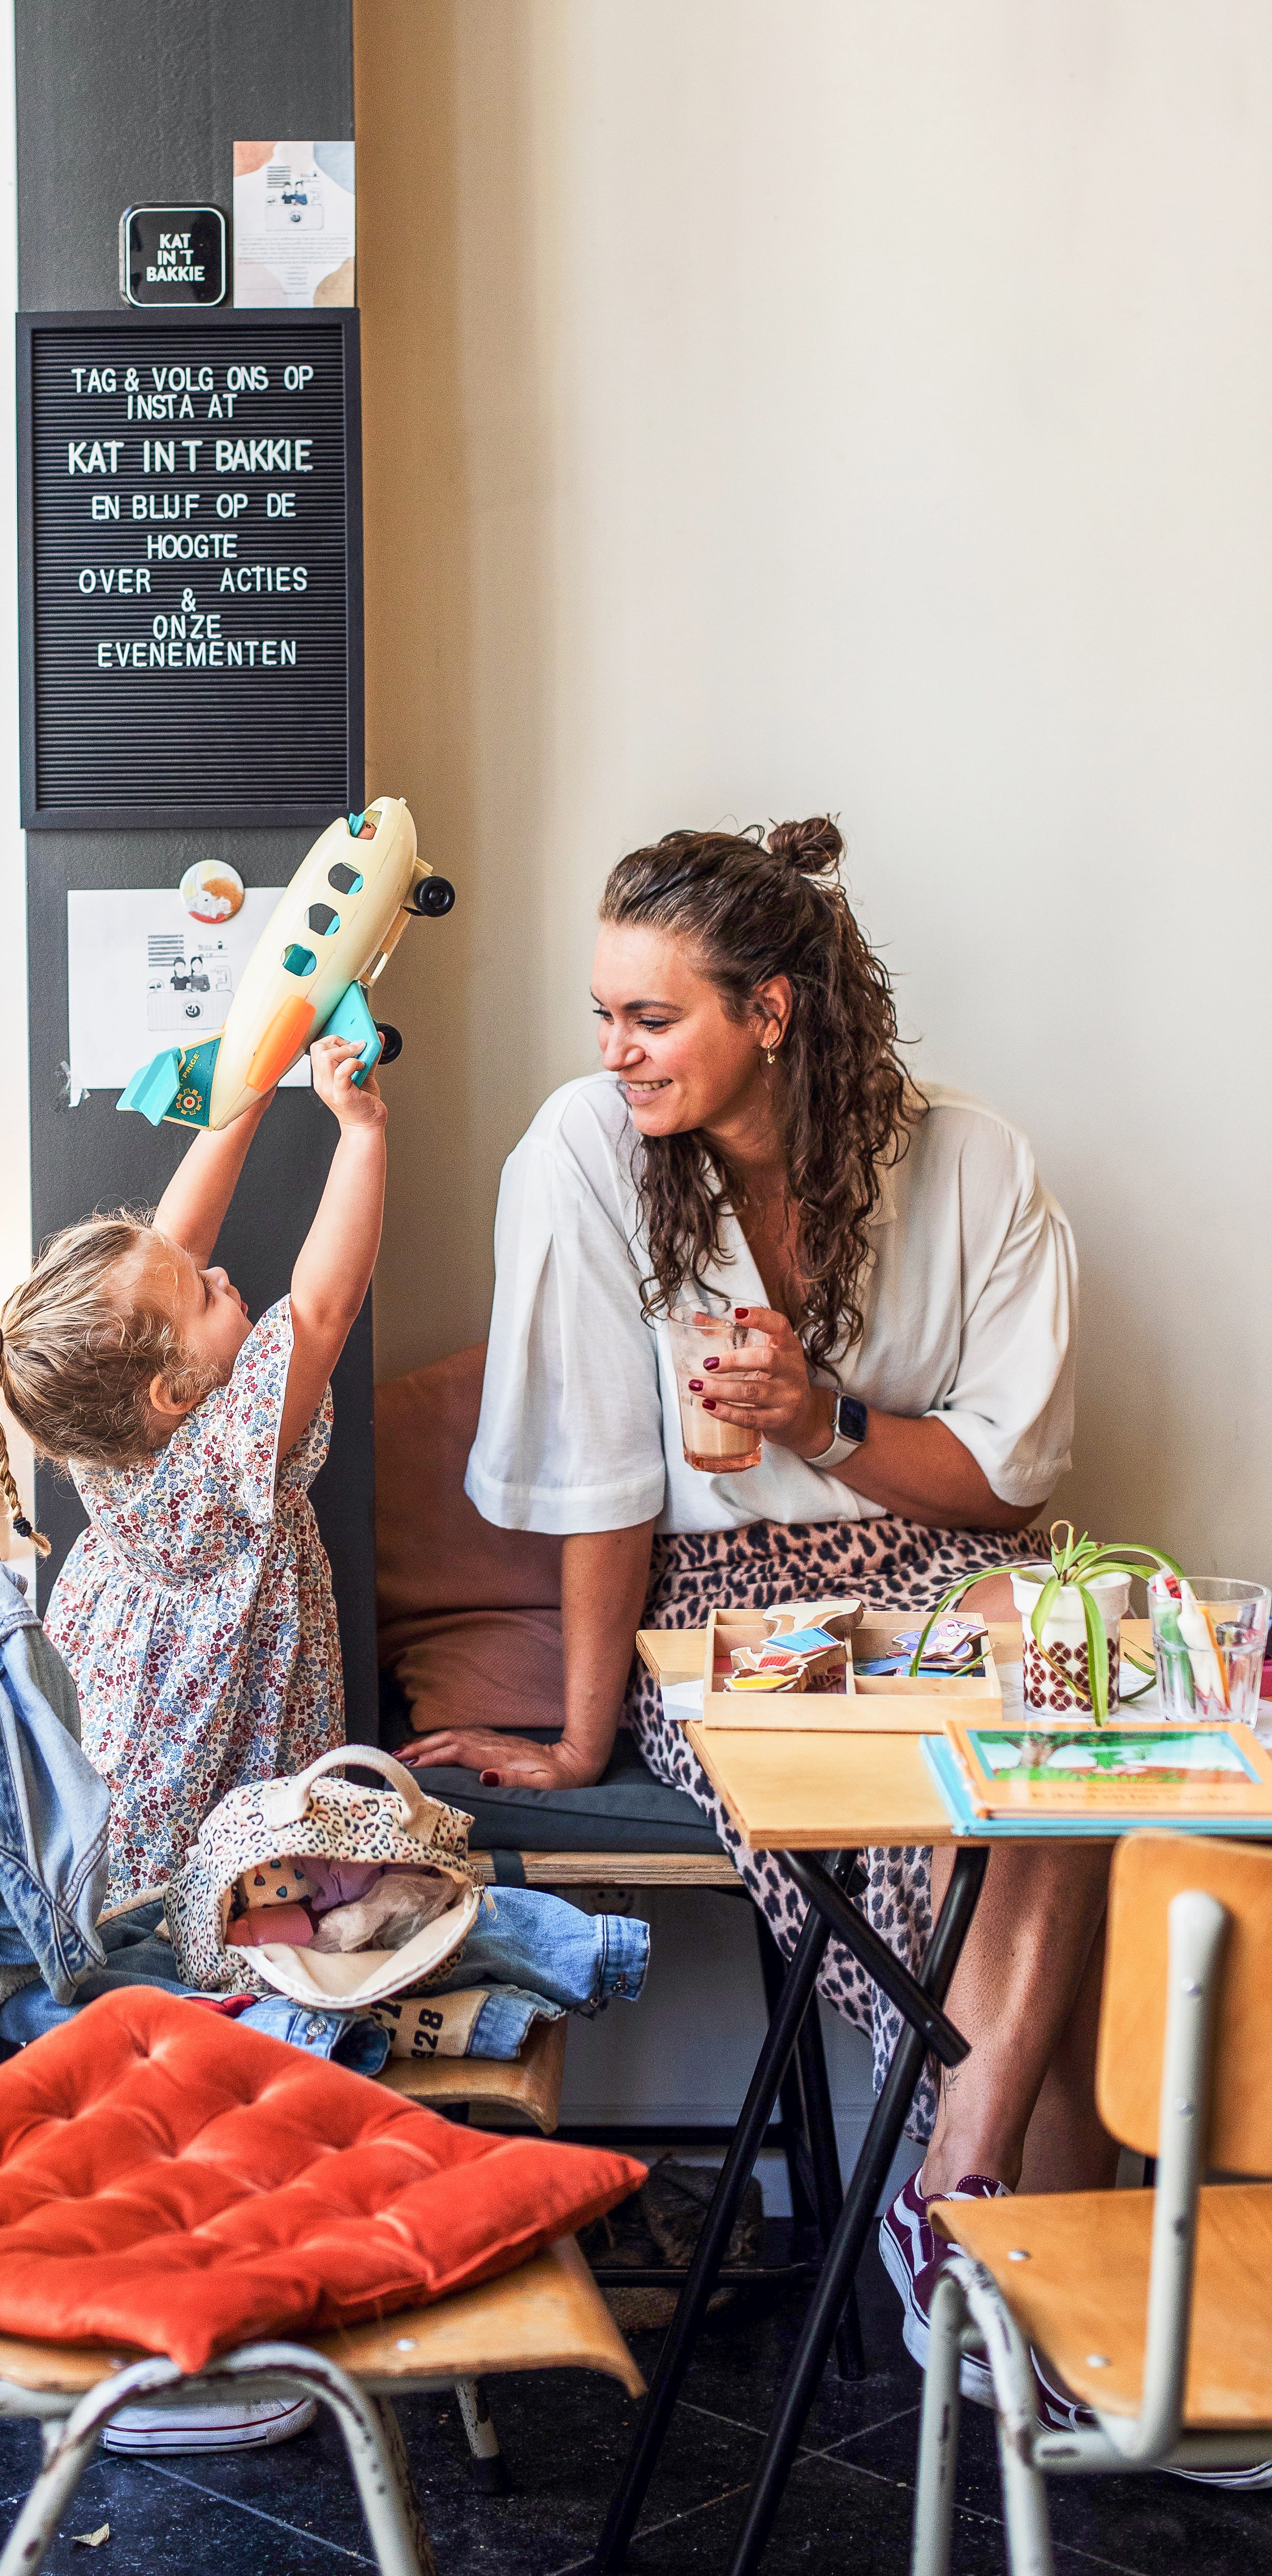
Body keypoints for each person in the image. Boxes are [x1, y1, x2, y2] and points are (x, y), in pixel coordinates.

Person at [404, 818, 1113, 2397]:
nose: (614, 1050)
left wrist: (825, 1424)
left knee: (1059, 1730)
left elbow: (1003, 1488)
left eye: (647, 1019)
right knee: (985, 1815)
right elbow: (604, 1483)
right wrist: (583, 1740)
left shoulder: (970, 1162)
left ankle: (958, 2207)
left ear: (769, 1011)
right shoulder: (586, 1153)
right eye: (603, 1015)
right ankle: (1041, 2294)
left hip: (943, 1571)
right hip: (732, 1612)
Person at [0, 1034, 385, 1907]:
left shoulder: (99, 1425)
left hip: (126, 1766)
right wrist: (361, 1132)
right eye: (201, 1293)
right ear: (176, 1391)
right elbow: (323, 1307)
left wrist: (250, 1098)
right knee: (230, 1916)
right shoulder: (220, 1466)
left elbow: (168, 1243)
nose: (220, 1274)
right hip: (194, 1798)